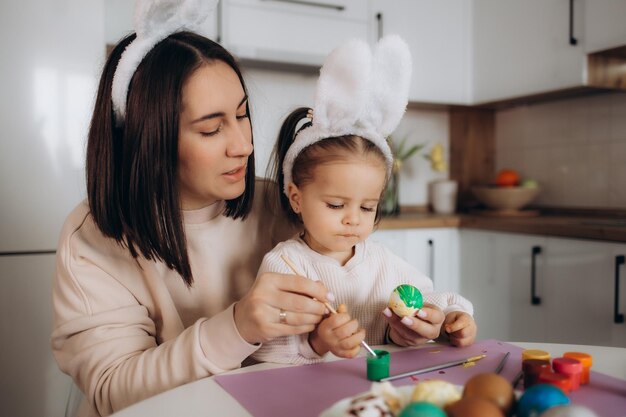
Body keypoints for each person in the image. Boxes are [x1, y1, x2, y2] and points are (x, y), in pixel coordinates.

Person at [50, 1, 334, 416]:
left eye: (242, 115)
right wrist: (236, 327)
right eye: (211, 128)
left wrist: (407, 320)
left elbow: (347, 305)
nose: (243, 144)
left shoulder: (278, 206)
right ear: (152, 139)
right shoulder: (93, 239)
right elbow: (112, 388)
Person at [252, 36, 477, 365]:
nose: (353, 219)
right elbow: (262, 352)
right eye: (335, 205)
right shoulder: (285, 265)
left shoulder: (383, 263)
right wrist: (316, 343)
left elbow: (430, 299)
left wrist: (449, 319)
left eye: (367, 207)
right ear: (296, 198)